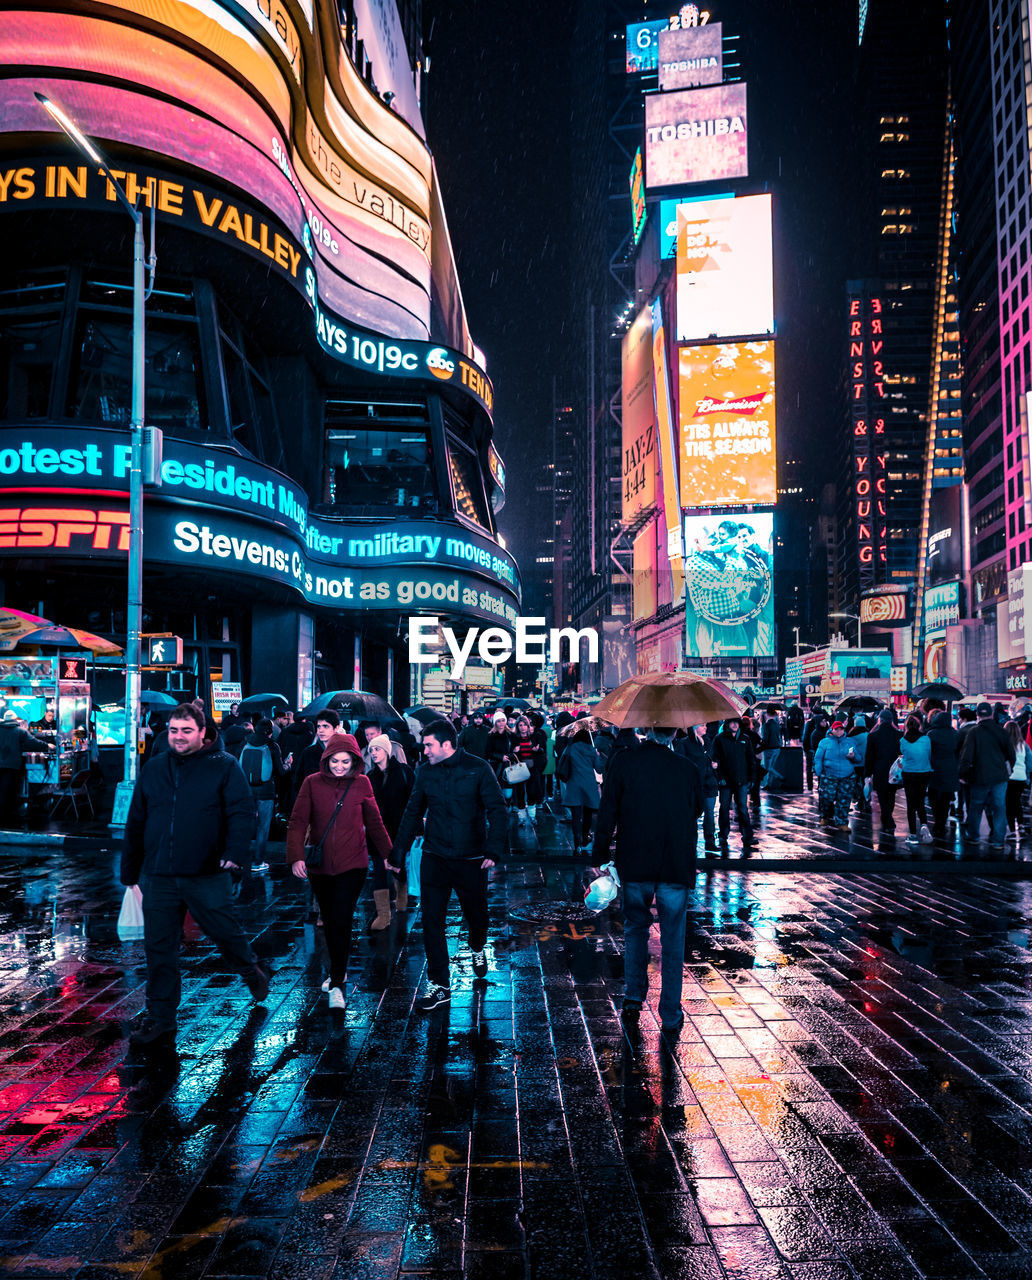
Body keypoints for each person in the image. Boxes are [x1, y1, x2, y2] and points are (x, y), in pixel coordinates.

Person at [120, 703, 270, 1049]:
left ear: (203, 733)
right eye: (173, 730)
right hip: (159, 874)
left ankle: (250, 968)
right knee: (159, 948)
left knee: (224, 932)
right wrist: (131, 872)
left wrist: (234, 854)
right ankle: (161, 1018)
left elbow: (241, 812)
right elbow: (136, 821)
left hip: (206, 871)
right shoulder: (155, 768)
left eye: (186, 730)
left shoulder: (224, 766)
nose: (179, 737)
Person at [389, 719, 507, 1011]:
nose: (424, 749)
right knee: (431, 920)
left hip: (471, 859)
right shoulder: (425, 772)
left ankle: (478, 945)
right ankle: (440, 984)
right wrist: (398, 851)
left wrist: (493, 848)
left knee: (476, 915)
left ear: (446, 744)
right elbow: (412, 811)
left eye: (428, 745)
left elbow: (497, 809)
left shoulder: (478, 768)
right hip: (435, 857)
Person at [593, 727, 703, 1036]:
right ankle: (670, 1011)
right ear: (673, 733)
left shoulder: (625, 763)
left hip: (636, 861)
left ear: (648, 730)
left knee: (635, 929)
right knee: (673, 936)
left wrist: (600, 854)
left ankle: (633, 997)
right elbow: (697, 808)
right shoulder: (686, 767)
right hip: (675, 863)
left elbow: (608, 811)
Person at [287, 732, 392, 1007]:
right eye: (335, 761)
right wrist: (296, 857)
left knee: (341, 919)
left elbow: (375, 823)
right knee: (329, 919)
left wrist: (390, 855)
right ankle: (338, 969)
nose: (340, 767)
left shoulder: (362, 784)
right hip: (320, 867)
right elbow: (298, 821)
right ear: (327, 759)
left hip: (353, 864)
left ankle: (336, 984)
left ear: (355, 761)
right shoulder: (312, 783)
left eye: (346, 762)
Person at [366, 732, 414, 926]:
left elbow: (414, 801)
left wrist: (416, 827)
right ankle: (383, 915)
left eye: (377, 749)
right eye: (371, 750)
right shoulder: (370, 776)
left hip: (399, 829)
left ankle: (401, 895)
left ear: (386, 750)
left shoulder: (404, 772)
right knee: (378, 869)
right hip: (377, 830)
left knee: (397, 866)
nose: (374, 753)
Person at [960, 702, 1015, 849]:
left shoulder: (974, 732)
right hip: (999, 776)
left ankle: (974, 836)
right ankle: (998, 841)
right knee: (999, 808)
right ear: (991, 714)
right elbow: (1011, 754)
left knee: (976, 807)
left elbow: (967, 756)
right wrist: (1008, 768)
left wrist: (963, 773)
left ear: (977, 715)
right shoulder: (1001, 731)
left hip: (979, 776)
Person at [239, 718, 288, 875]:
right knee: (263, 827)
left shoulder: (245, 742)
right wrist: (288, 764)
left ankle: (241, 860)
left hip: (246, 791)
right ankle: (258, 862)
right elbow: (281, 771)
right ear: (269, 731)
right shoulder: (272, 746)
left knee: (246, 826)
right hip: (266, 791)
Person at [556, 728, 603, 852]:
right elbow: (599, 769)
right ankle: (584, 838)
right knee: (588, 814)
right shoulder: (591, 750)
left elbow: (562, 762)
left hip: (574, 784)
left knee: (576, 816)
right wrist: (598, 756)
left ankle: (577, 844)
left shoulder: (570, 748)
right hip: (589, 785)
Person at [712, 718, 756, 852]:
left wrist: (752, 778)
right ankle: (723, 836)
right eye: (732, 722)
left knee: (743, 808)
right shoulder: (719, 739)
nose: (735, 725)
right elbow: (715, 759)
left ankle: (747, 836)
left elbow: (751, 759)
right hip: (725, 782)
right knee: (724, 808)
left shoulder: (745, 739)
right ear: (727, 724)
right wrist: (720, 778)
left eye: (737, 722)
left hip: (741, 780)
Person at [676, 723, 719, 852]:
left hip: (709, 783)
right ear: (694, 728)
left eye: (705, 725)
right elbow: (681, 762)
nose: (705, 727)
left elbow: (714, 756)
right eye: (702, 725)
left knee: (710, 814)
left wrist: (714, 765)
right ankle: (691, 843)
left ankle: (710, 841)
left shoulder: (708, 741)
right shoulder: (685, 743)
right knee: (692, 815)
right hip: (694, 785)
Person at [0, 710, 47, 822]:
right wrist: (47, 746)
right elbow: (34, 743)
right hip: (12, 765)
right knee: (10, 790)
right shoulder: (20, 731)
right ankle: (7, 816)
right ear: (16, 720)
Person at [812, 721, 857, 830]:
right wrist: (819, 772)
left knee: (844, 800)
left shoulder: (850, 742)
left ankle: (842, 822)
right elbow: (818, 758)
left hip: (847, 776)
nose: (839, 731)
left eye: (841, 729)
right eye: (836, 729)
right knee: (827, 798)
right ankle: (825, 816)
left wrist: (853, 757)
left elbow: (858, 758)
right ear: (832, 730)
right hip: (829, 775)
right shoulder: (824, 742)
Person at [865, 709, 903, 835]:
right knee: (891, 796)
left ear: (879, 720)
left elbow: (869, 756)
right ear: (891, 720)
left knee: (882, 796)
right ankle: (887, 819)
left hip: (879, 770)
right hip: (894, 770)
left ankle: (888, 821)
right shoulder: (898, 735)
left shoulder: (873, 736)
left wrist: (867, 773)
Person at [899, 714, 933, 845]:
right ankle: (924, 824)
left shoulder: (903, 741)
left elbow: (903, 754)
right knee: (920, 801)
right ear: (919, 726)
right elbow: (928, 755)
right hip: (924, 772)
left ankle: (913, 834)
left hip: (909, 773)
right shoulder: (926, 739)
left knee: (910, 804)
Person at [926, 708, 959, 840]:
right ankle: (941, 822)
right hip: (950, 769)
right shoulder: (955, 734)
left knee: (934, 797)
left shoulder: (931, 734)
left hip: (934, 769)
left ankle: (936, 820)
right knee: (945, 799)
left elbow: (927, 752)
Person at [294, 711, 340, 794]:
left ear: (336, 728)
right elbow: (298, 782)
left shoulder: (344, 753)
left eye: (325, 726)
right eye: (319, 727)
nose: (321, 730)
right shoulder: (308, 753)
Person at [510, 715, 545, 825]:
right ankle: (522, 817)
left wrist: (537, 750)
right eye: (520, 725)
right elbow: (510, 754)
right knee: (520, 792)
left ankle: (532, 816)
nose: (523, 727)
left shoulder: (534, 736)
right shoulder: (514, 738)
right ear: (517, 726)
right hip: (519, 768)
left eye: (525, 725)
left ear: (528, 726)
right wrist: (514, 751)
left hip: (532, 768)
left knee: (532, 792)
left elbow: (542, 750)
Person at [1005, 720, 1032, 841]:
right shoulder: (1024, 745)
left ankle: (1011, 830)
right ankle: (1020, 825)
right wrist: (1026, 776)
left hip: (1009, 777)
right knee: (1017, 801)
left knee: (1009, 804)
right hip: (1021, 778)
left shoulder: (1005, 745)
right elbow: (1029, 762)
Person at [802, 710, 828, 792]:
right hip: (812, 750)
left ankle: (812, 786)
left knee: (811, 768)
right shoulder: (816, 727)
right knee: (813, 768)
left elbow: (805, 736)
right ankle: (813, 785)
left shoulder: (810, 724)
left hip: (812, 750)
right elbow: (806, 737)